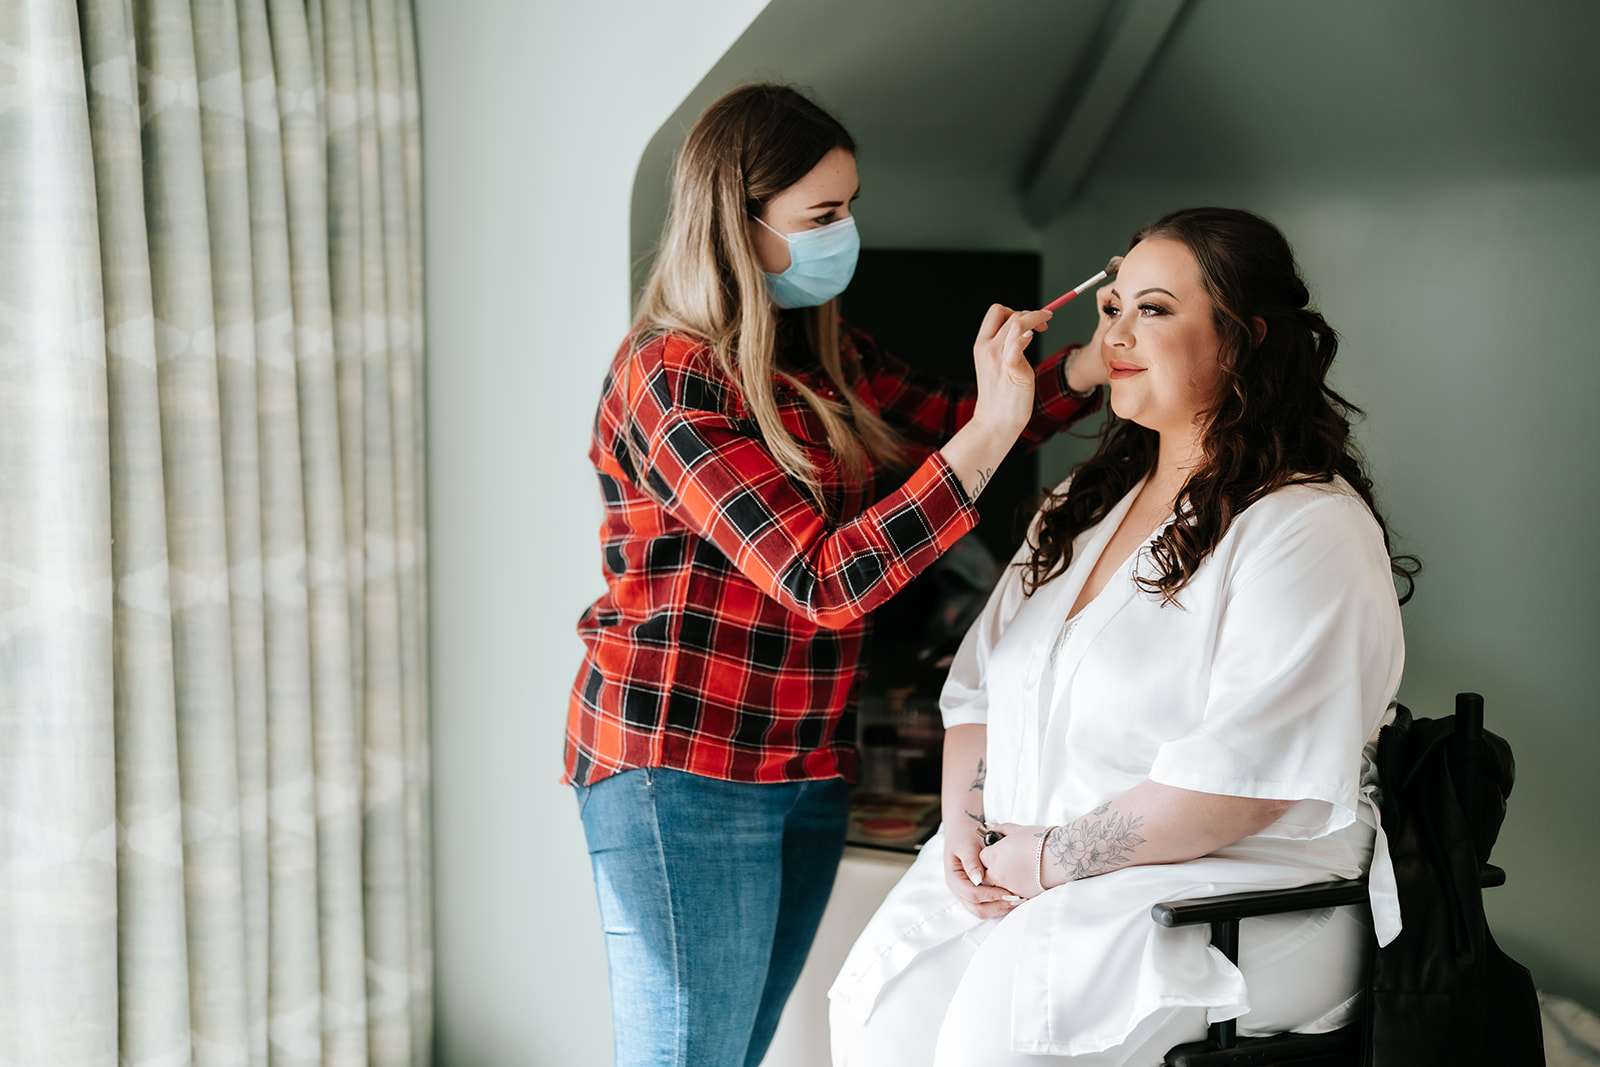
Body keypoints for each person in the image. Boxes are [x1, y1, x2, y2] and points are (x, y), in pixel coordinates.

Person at [564, 83, 1107, 1067]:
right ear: (740, 225)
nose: (845, 233)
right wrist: (984, 434)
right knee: (689, 1054)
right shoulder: (671, 374)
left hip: (804, 761)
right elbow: (820, 580)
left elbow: (963, 421)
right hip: (683, 765)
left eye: (849, 205)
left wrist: (1082, 368)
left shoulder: (818, 352)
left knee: (741, 1046)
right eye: (821, 216)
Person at [829, 206, 1419, 1067]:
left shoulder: (1305, 526)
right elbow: (982, 689)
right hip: (1034, 862)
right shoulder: (1079, 507)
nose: (1119, 331)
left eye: (1156, 309)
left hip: (1239, 886)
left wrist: (1055, 860)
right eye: (1112, 308)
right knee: (882, 1011)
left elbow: (1244, 784)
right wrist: (965, 827)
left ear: (1244, 340)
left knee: (1000, 1034)